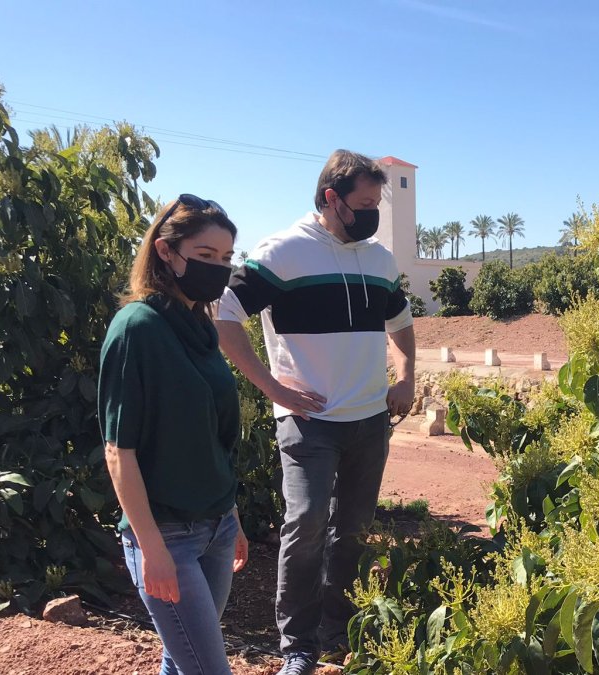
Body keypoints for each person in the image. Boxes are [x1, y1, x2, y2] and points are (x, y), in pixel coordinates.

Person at [214, 149, 416, 675]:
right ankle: (296, 646)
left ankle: (337, 630)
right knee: (305, 524)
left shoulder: (378, 259)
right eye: (366, 203)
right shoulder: (283, 252)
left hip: (370, 422)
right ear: (333, 198)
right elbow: (225, 317)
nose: (373, 214)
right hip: (308, 423)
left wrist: (407, 376)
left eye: (378, 203)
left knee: (352, 529)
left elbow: (400, 323)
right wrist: (271, 388)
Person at [100, 195, 249, 675]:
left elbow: (213, 436)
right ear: (166, 251)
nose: (219, 269)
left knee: (179, 658)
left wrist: (233, 515)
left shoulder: (201, 328)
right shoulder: (137, 328)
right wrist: (151, 549)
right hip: (168, 536)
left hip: (217, 527)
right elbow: (118, 450)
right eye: (205, 256)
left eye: (226, 258)